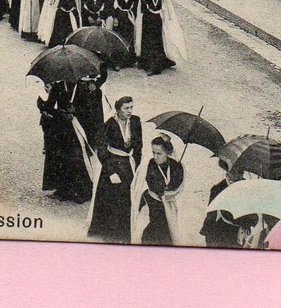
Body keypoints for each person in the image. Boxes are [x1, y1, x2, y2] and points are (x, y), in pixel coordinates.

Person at [88, 96, 141, 243]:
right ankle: (109, 232)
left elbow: (138, 146)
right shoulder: (109, 124)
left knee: (126, 198)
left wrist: (137, 166)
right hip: (113, 165)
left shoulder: (136, 121)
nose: (130, 111)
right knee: (111, 199)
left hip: (128, 164)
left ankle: (124, 232)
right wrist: (110, 172)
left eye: (131, 107)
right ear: (118, 110)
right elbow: (102, 149)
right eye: (126, 108)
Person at [39, 81, 92, 204]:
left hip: (77, 127)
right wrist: (61, 114)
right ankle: (64, 189)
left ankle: (80, 190)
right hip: (61, 128)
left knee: (77, 157)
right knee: (62, 157)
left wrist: (76, 110)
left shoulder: (83, 88)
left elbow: (89, 109)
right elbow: (49, 107)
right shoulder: (58, 87)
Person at [138, 133, 185, 245]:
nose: (155, 156)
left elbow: (178, 183)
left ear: (168, 153)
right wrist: (165, 189)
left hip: (168, 201)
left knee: (166, 227)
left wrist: (172, 184)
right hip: (153, 199)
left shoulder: (176, 165)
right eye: (153, 152)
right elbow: (153, 184)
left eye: (159, 153)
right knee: (157, 225)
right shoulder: (151, 164)